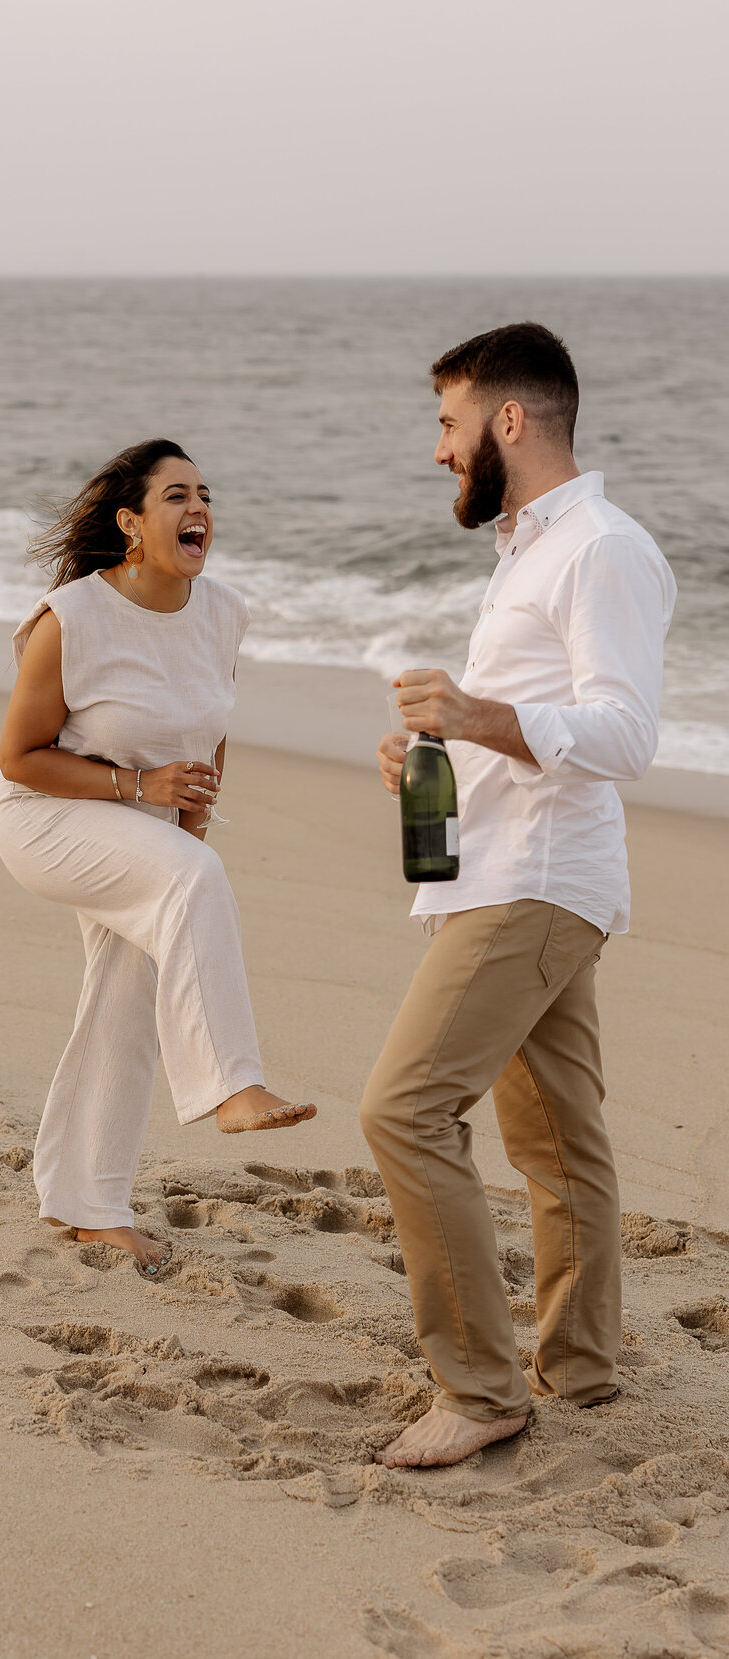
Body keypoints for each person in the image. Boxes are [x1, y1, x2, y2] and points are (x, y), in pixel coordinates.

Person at [362, 323, 676, 1467]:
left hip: (537, 884)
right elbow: (537, 722)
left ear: (509, 421)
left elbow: (627, 733)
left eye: (449, 422)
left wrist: (477, 716)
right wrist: (433, 750)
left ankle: (482, 1387)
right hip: (509, 868)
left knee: (403, 1110)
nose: (437, 448)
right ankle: (580, 1368)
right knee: (556, 1137)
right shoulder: (529, 553)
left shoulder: (601, 549)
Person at [0, 438, 316, 1274]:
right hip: (48, 817)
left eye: (205, 492)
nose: (198, 506)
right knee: (192, 884)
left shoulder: (223, 613)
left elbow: (209, 738)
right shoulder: (74, 617)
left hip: (146, 823)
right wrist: (143, 792)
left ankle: (86, 1203)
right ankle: (232, 1085)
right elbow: (19, 757)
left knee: (127, 990)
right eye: (176, 495)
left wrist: (183, 825)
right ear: (132, 523)